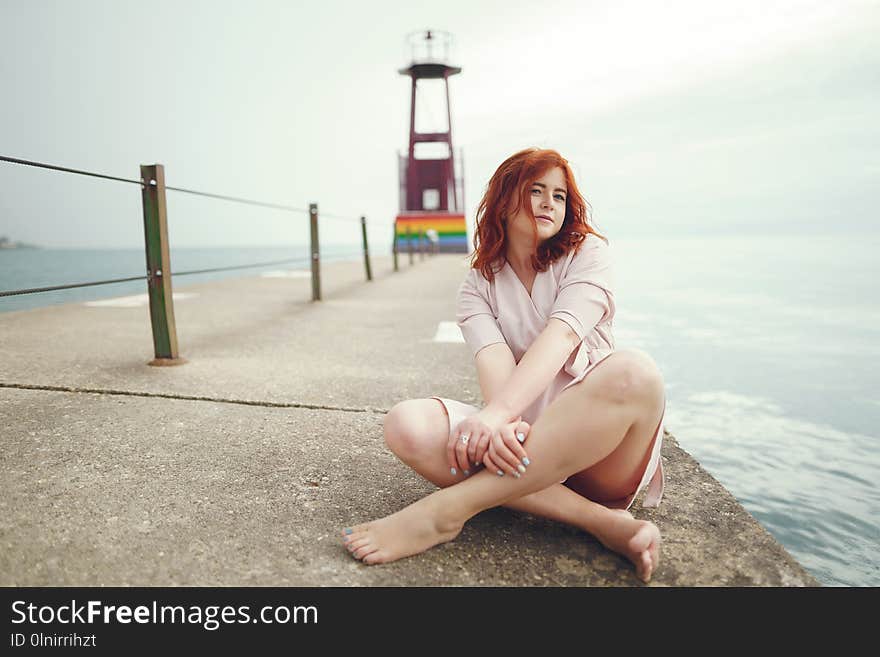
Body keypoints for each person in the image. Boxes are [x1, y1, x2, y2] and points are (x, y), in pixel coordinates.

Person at [342, 147, 667, 583]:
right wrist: (503, 419)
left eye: (559, 194)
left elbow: (563, 335)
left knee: (636, 373)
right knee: (406, 423)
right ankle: (601, 523)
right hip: (522, 450)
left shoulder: (588, 254)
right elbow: (494, 365)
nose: (550, 202)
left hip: (599, 458)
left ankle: (447, 510)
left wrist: (497, 416)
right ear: (502, 199)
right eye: (536, 190)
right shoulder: (478, 286)